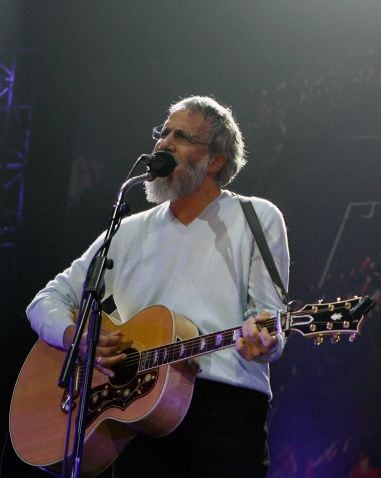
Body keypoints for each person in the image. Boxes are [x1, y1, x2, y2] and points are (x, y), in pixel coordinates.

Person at [25, 95, 289, 478]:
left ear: (215, 160)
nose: (163, 143)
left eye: (181, 136)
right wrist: (75, 338)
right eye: (162, 132)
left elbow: (270, 322)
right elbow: (47, 300)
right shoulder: (129, 229)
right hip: (138, 414)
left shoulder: (256, 217)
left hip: (224, 410)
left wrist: (267, 339)